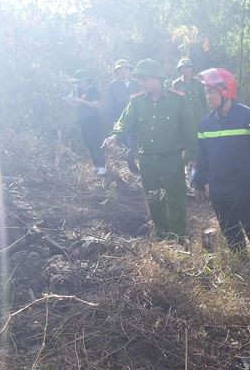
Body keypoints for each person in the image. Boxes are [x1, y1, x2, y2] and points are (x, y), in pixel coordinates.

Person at [103, 59, 197, 240]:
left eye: (144, 79)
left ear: (156, 79)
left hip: (172, 159)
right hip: (147, 160)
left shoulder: (178, 100)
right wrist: (115, 136)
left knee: (176, 199)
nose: (140, 83)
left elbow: (190, 129)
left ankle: (178, 236)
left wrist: (193, 154)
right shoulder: (137, 102)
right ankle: (163, 234)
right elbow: (124, 122)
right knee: (154, 199)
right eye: (139, 79)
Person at [192, 68, 250, 269]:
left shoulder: (249, 117)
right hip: (219, 190)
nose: (208, 97)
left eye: (211, 92)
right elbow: (203, 158)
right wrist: (199, 183)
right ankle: (242, 265)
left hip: (245, 188)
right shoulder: (205, 124)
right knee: (229, 230)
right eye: (206, 93)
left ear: (225, 91)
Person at [65, 69, 106, 176]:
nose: (80, 83)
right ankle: (96, 165)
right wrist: (69, 100)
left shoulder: (93, 90)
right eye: (78, 81)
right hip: (83, 121)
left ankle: (102, 165)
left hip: (93, 120)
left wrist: (81, 101)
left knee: (96, 142)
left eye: (81, 80)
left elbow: (97, 104)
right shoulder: (79, 91)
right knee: (88, 142)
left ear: (87, 80)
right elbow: (76, 106)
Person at [105, 59, 140, 173]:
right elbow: (109, 104)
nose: (123, 71)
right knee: (127, 142)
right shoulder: (113, 86)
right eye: (120, 69)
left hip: (137, 118)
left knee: (137, 141)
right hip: (122, 119)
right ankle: (132, 165)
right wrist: (114, 120)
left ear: (129, 70)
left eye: (125, 69)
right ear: (117, 72)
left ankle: (141, 163)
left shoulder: (136, 84)